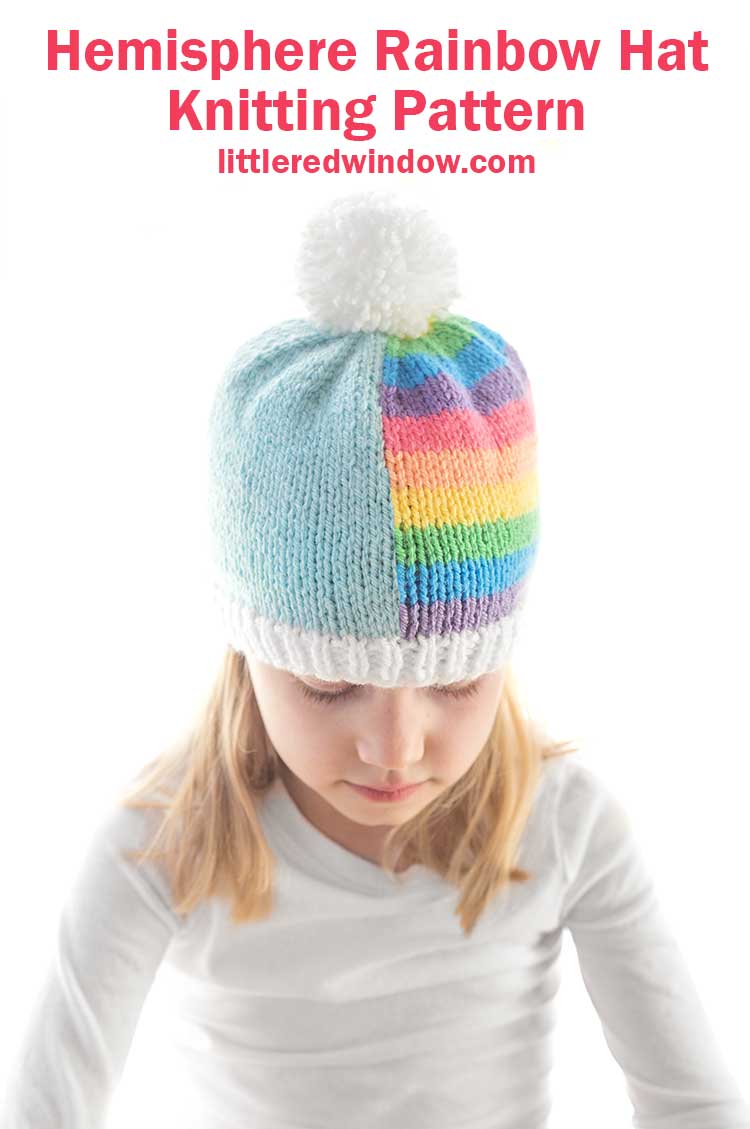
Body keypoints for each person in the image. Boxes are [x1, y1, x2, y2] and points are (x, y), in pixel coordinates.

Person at [2, 191, 748, 1129]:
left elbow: (696, 1106)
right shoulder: (162, 844)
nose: (395, 749)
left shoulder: (565, 826)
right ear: (253, 653)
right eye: (328, 685)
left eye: (455, 681)